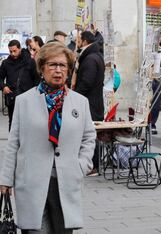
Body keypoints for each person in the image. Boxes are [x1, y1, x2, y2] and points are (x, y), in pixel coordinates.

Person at [0, 42, 96, 233]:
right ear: (42, 68)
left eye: (63, 65)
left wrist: (82, 165)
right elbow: (13, 143)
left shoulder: (80, 102)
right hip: (31, 180)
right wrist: (6, 179)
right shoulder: (24, 101)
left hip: (66, 179)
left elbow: (88, 137)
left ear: (68, 70)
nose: (58, 70)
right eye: (52, 65)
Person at [74, 31, 105, 175]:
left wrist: (75, 96)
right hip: (93, 102)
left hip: (90, 103)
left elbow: (87, 82)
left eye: (79, 39)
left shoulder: (91, 58)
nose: (77, 41)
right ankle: (93, 165)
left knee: (90, 135)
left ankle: (93, 166)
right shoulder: (93, 56)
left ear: (84, 41)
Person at [0, 39, 40, 131]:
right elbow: (0, 78)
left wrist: (35, 95)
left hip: (28, 98)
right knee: (13, 122)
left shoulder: (29, 61)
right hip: (12, 98)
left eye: (15, 51)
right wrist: (4, 87)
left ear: (20, 49)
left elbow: (36, 80)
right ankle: (13, 144)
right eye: (10, 51)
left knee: (28, 122)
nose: (12, 54)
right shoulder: (6, 63)